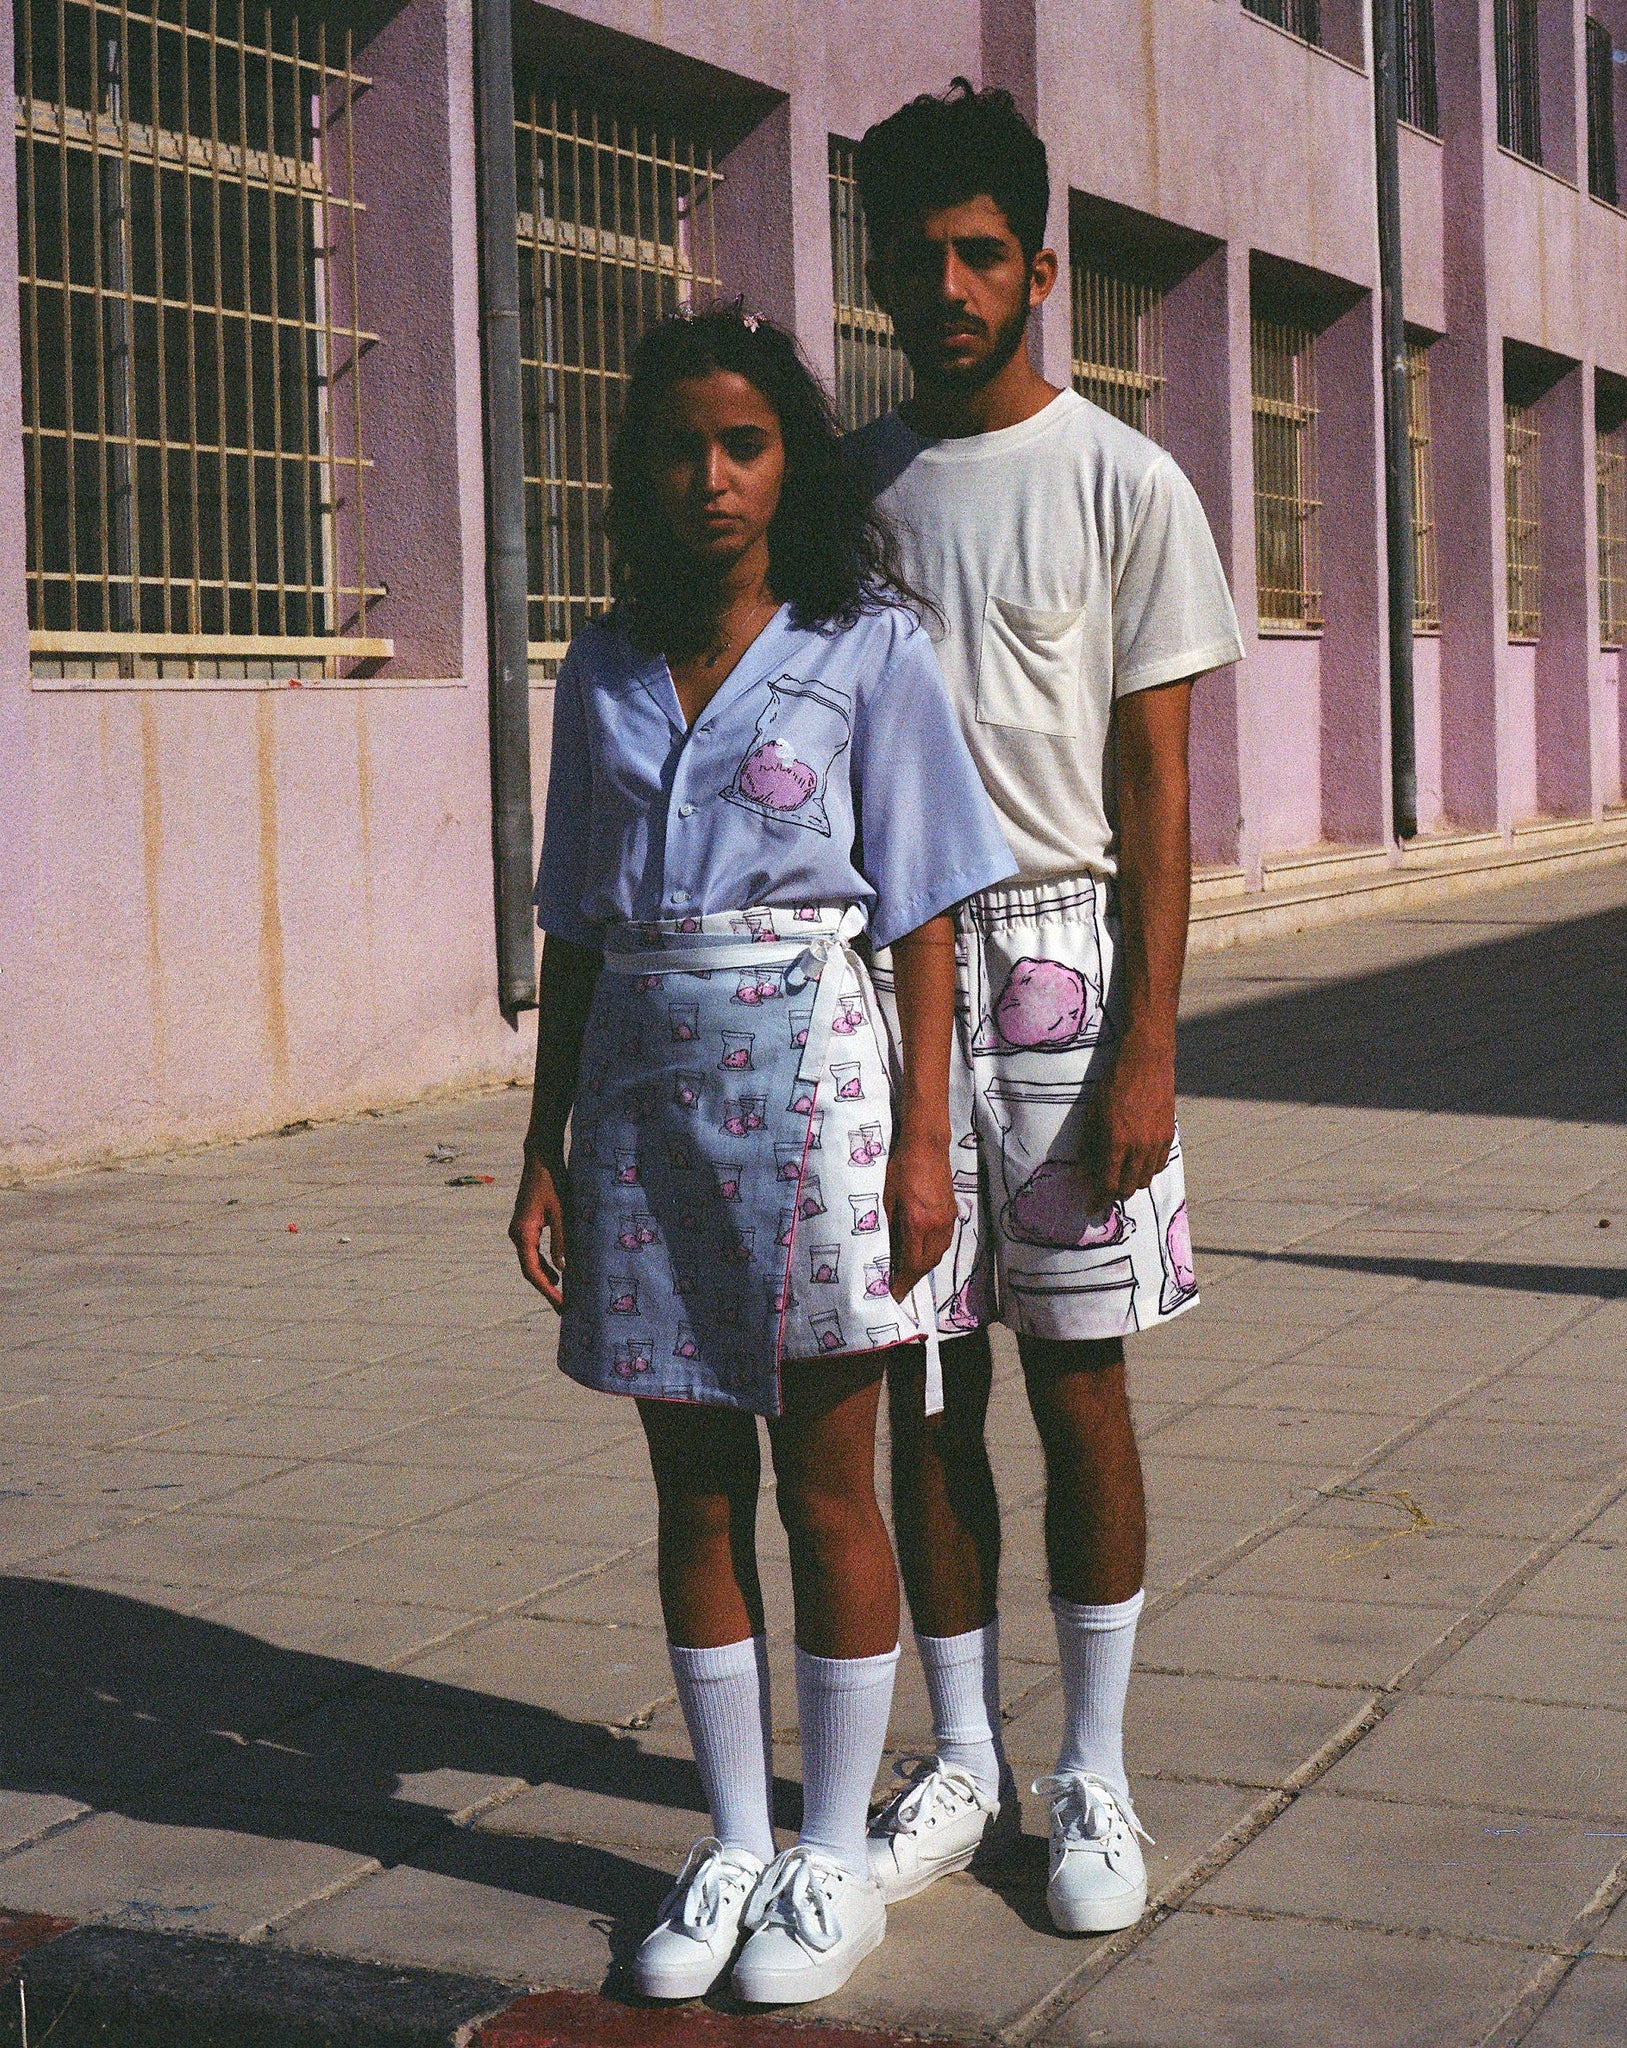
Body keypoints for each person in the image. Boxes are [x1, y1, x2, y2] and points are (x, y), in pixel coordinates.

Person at [507, 304, 1015, 2005]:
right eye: (676, 446)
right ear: (637, 471)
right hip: (643, 1095)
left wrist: (927, 1146)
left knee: (824, 1475)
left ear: (789, 462)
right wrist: (547, 1141)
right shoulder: (595, 670)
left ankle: (825, 1856)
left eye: (743, 445)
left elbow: (933, 906)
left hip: (821, 1082)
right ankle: (729, 1837)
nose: (709, 478)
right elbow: (577, 922)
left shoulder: (864, 648)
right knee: (688, 1483)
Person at [848, 84, 1245, 1935]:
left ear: (1039, 270)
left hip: (1066, 969)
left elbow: (1156, 788)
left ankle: (1090, 1771)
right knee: (925, 1392)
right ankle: (961, 1754)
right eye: (914, 254)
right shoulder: (848, 486)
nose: (945, 283)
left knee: (1075, 1380)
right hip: (882, 980)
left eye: (978, 252)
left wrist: (1148, 1038)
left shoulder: (1123, 481)